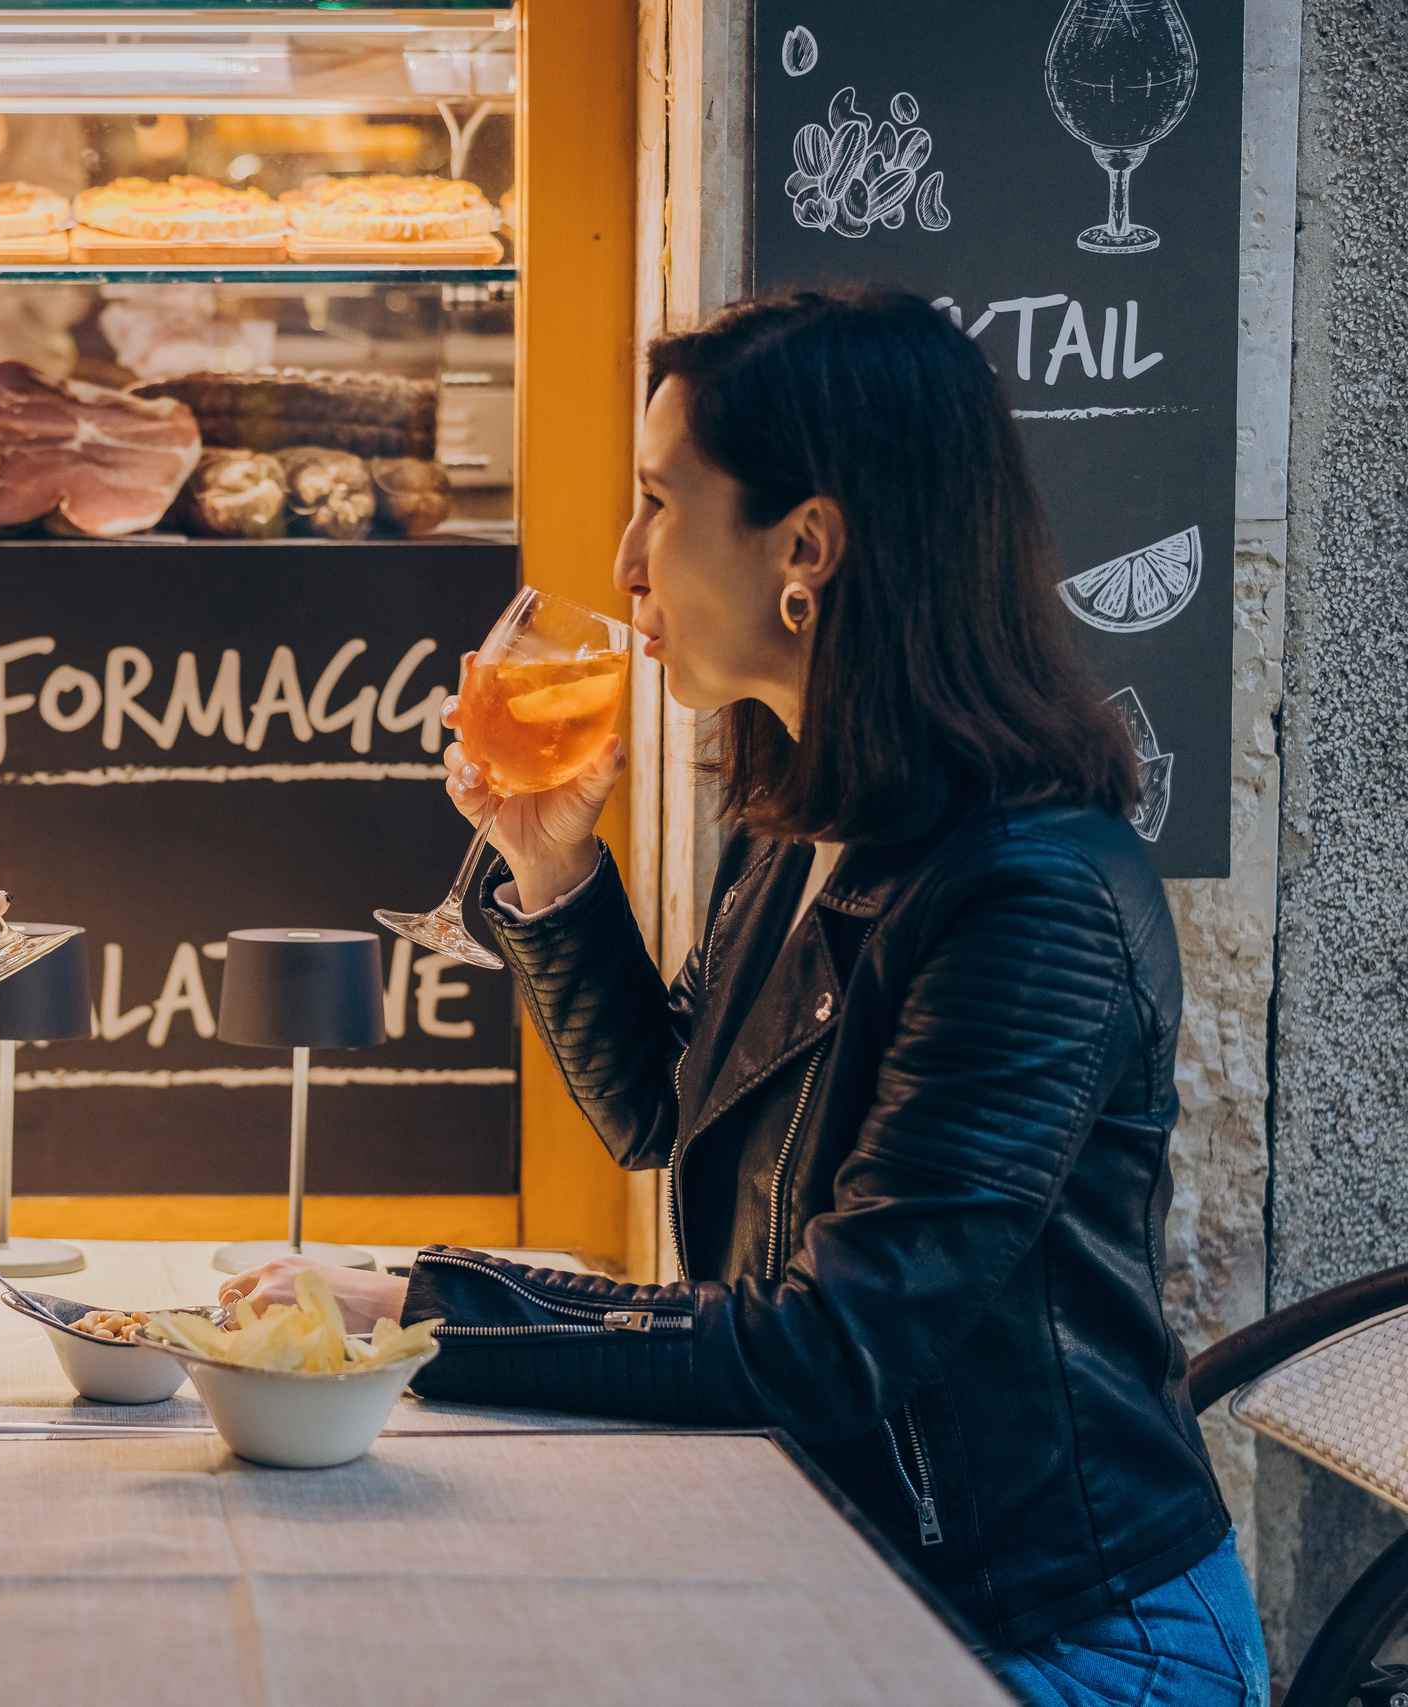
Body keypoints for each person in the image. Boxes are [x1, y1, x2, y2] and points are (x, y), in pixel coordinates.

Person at [226, 288, 1268, 1707]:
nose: (625, 561)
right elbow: (665, 1115)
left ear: (808, 548)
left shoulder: (1032, 898)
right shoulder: (798, 821)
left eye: (660, 502)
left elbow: (833, 1346)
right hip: (846, 1557)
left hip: (1055, 1640)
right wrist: (552, 872)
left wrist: (429, 1321)